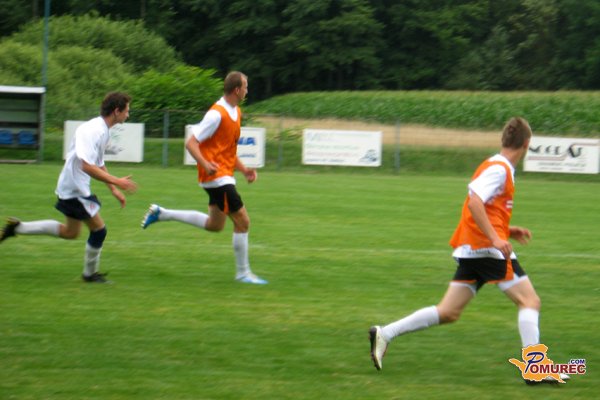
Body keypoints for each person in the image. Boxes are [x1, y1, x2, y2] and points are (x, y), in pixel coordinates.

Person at [369, 117, 568, 383]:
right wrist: (496, 239)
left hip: (474, 248)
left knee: (448, 312)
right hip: (487, 250)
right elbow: (475, 203)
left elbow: (486, 208)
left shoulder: (495, 164)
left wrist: (507, 230)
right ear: (527, 143)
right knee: (529, 301)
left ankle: (385, 333)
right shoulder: (500, 169)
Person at [141, 71, 267, 285]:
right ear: (237, 90)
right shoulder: (216, 114)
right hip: (217, 178)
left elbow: (227, 150)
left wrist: (244, 169)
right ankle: (243, 273)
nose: (247, 90)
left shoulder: (236, 112)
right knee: (243, 221)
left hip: (224, 175)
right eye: (246, 86)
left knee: (215, 225)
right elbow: (191, 143)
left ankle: (162, 213)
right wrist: (205, 163)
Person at [0, 92, 138, 283]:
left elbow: (98, 163)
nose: (128, 115)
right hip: (75, 188)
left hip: (74, 186)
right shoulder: (93, 130)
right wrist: (117, 181)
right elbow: (87, 166)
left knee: (71, 233)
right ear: (116, 111)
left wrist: (113, 189)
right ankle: (89, 275)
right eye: (127, 111)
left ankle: (17, 228)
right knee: (99, 230)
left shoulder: (103, 131)